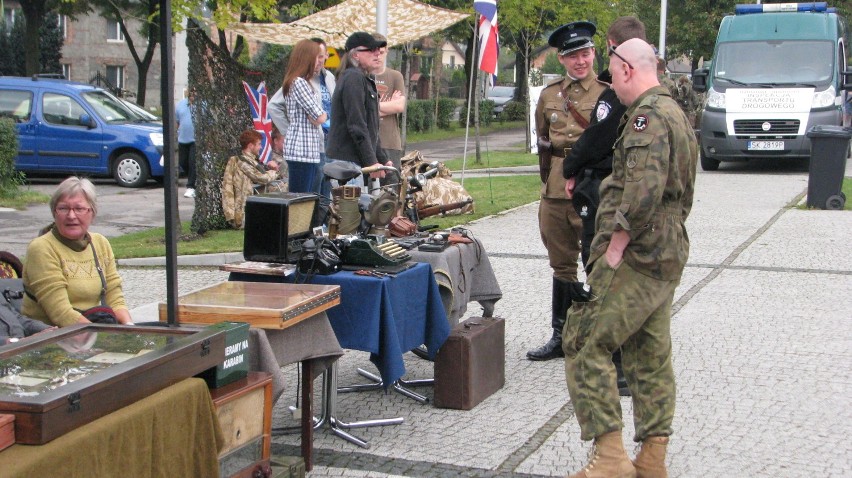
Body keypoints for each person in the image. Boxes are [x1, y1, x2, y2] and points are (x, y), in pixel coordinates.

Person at [562, 38, 697, 478]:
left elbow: (642, 192)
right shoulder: (675, 111)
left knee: (583, 342)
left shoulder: (647, 117)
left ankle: (611, 460)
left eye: (611, 70)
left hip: (637, 254)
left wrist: (615, 248)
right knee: (648, 352)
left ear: (624, 69)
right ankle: (653, 459)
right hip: (667, 251)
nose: (611, 81)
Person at [561, 16, 647, 395]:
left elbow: (597, 137)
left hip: (609, 197)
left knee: (602, 271)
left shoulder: (618, 95)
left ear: (614, 47)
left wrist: (571, 164)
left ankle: (616, 365)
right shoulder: (661, 97)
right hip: (641, 206)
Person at [528, 21, 605, 362]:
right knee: (561, 265)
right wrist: (547, 185)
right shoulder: (548, 95)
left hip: (593, 188)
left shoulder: (606, 93)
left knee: (598, 262)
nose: (580, 61)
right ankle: (561, 334)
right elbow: (544, 143)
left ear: (594, 54)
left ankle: (599, 336)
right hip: (556, 190)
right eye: (573, 56)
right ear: (561, 59)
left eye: (586, 53)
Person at [21, 177, 134, 326]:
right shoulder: (42, 248)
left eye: (79, 209)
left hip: (90, 329)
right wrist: (100, 338)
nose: (71, 216)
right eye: (63, 208)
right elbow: (60, 313)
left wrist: (130, 328)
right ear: (54, 212)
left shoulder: (100, 243)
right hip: (50, 336)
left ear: (92, 212)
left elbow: (115, 297)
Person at [326, 32, 392, 186]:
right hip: (346, 163)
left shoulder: (362, 78)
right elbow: (357, 125)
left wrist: (382, 159)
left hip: (352, 162)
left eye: (378, 50)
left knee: (362, 207)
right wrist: (372, 162)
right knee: (351, 209)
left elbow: (370, 128)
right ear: (355, 55)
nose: (376, 54)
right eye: (370, 50)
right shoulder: (353, 78)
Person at [280, 39, 329, 194]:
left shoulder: (301, 82)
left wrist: (319, 115)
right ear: (307, 58)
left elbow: (317, 116)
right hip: (301, 151)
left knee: (306, 201)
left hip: (308, 151)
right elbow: (320, 116)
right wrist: (323, 114)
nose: (320, 62)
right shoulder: (299, 83)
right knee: (300, 201)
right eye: (317, 57)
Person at [221, 129, 282, 229]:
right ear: (250, 146)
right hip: (243, 213)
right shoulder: (243, 162)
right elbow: (261, 178)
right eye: (258, 144)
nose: (260, 147)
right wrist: (275, 172)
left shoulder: (249, 160)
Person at [372, 32, 407, 174]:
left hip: (390, 143)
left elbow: (399, 106)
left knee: (390, 189)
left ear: (387, 51)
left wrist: (372, 107)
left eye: (381, 52)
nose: (378, 56)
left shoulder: (395, 76)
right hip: (369, 144)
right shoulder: (361, 76)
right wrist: (388, 105)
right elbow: (358, 109)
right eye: (375, 52)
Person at [175, 89, 197, 198]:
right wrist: (175, 134)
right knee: (183, 162)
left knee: (193, 161)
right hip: (183, 139)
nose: (193, 96)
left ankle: (191, 186)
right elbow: (177, 122)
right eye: (191, 94)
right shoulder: (180, 105)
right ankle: (195, 180)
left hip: (196, 140)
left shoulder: (203, 104)